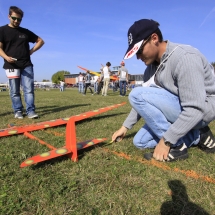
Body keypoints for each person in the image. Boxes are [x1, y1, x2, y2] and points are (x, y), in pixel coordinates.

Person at [112, 19, 215, 162]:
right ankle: (197, 135)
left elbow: (195, 109)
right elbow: (144, 99)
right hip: (181, 108)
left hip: (201, 112)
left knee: (136, 94)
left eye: (140, 50)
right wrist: (125, 127)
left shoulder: (185, 58)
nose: (138, 57)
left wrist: (167, 140)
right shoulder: (151, 69)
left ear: (154, 38)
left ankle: (178, 146)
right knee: (140, 142)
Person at [0, 6, 44, 119]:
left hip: (26, 64)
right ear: (9, 16)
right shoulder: (2, 30)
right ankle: (18, 110)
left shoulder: (25, 32)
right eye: (14, 18)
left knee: (29, 89)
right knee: (14, 91)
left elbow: (40, 41)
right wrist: (6, 57)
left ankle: (30, 111)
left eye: (19, 19)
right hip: (11, 65)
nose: (16, 21)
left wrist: (31, 51)